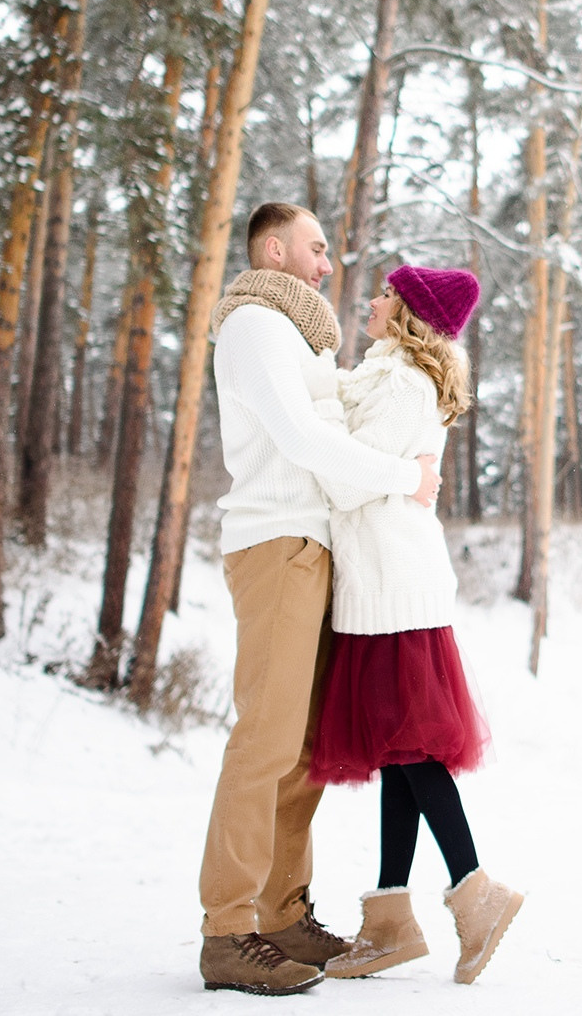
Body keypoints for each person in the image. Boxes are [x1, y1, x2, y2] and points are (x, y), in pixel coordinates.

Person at [196, 203, 442, 998]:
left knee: (302, 750)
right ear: (274, 249)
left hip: (315, 546)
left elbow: (346, 418)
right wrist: (408, 479)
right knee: (265, 741)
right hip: (276, 542)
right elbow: (304, 440)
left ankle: (282, 912)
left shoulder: (298, 334)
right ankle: (228, 928)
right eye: (315, 247)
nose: (328, 263)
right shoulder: (255, 324)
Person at [309, 265, 523, 986]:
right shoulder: (382, 375)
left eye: (385, 295)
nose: (370, 301)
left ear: (407, 315)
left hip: (395, 588)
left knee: (409, 749)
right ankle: (390, 921)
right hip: (384, 587)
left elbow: (341, 477)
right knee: (399, 751)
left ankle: (476, 890)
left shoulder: (402, 386)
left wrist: (323, 426)